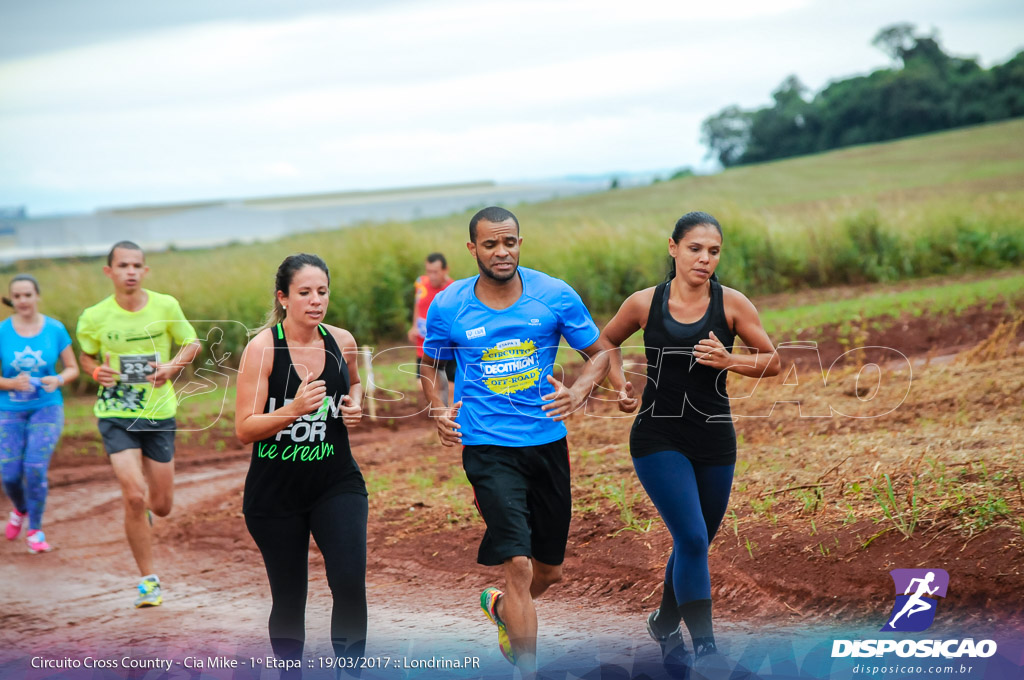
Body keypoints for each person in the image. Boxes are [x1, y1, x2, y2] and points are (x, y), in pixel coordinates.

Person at [419, 206, 608, 677]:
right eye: (491, 244)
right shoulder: (449, 304)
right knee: (519, 567)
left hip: (546, 443)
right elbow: (431, 365)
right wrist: (439, 410)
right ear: (473, 249)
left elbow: (600, 353)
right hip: (486, 446)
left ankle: (503, 609)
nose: (502, 252)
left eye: (510, 243)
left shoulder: (554, 295)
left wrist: (580, 392)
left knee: (548, 572)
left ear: (520, 243)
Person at [599, 211, 780, 672]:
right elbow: (606, 343)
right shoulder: (644, 303)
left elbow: (772, 361)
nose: (704, 259)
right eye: (695, 248)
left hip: (715, 437)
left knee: (693, 543)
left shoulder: (733, 304)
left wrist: (728, 361)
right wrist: (620, 383)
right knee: (694, 536)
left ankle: (663, 621)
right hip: (658, 435)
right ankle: (706, 649)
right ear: (673, 247)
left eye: (714, 251)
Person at [235, 253, 367, 674]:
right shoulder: (262, 349)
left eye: (322, 292)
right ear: (283, 297)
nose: (316, 301)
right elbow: (244, 428)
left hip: (336, 482)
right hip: (275, 494)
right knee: (290, 598)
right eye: (305, 292)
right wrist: (292, 410)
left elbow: (356, 384)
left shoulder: (341, 341)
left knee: (349, 584)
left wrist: (354, 405)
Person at [76, 241, 200, 607]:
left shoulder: (165, 305)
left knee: (161, 506)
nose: (130, 271)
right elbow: (86, 357)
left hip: (158, 414)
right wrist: (96, 371)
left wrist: (171, 368)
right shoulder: (94, 316)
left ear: (145, 271)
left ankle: (146, 510)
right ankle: (148, 581)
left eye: (136, 265)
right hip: (115, 414)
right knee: (133, 495)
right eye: (122, 265)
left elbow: (191, 343)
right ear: (109, 272)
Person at [1, 274, 80, 553]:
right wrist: (10, 383)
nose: (23, 300)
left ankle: (35, 529)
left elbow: (72, 368)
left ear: (37, 296)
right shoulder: (2, 331)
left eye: (28, 295)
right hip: (9, 409)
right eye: (18, 296)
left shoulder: (55, 329)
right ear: (12, 299)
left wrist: (58, 379)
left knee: (34, 468)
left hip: (46, 407)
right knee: (9, 474)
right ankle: (20, 509)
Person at [408, 252, 456, 389]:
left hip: (446, 345)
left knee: (450, 385)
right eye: (429, 271)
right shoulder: (420, 283)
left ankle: (452, 409)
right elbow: (418, 304)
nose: (432, 276)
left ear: (445, 270)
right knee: (422, 384)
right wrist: (413, 326)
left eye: (435, 272)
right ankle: (439, 407)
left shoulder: (453, 290)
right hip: (423, 343)